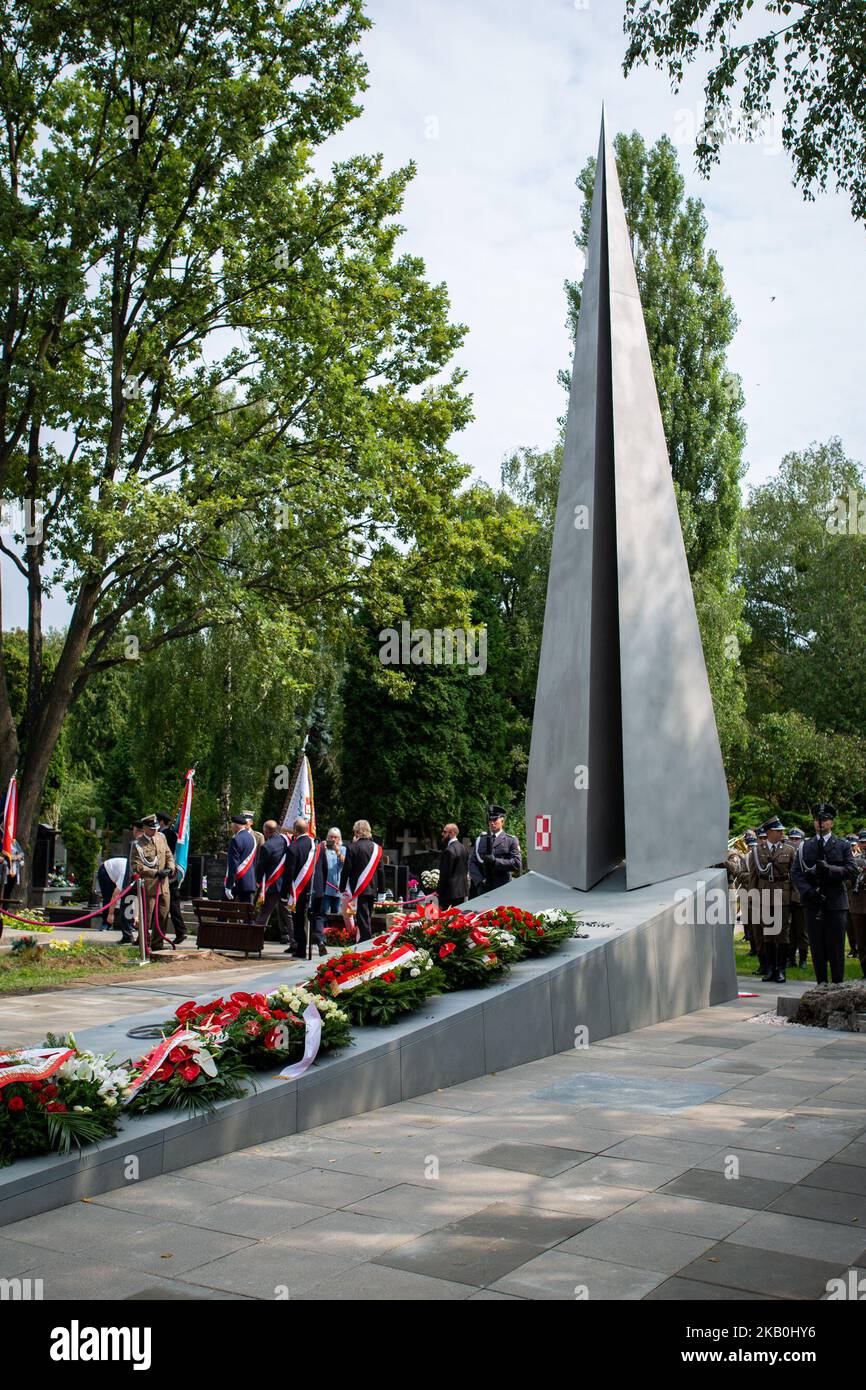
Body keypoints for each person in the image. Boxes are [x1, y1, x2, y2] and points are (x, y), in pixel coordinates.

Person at [790, 802, 858, 986]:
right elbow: (795, 872)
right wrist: (808, 892)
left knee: (836, 948)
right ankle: (821, 984)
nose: (820, 822)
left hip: (836, 902)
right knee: (817, 947)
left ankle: (837, 985)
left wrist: (830, 869)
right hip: (813, 902)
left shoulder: (843, 845)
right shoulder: (805, 846)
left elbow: (852, 870)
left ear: (831, 823)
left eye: (825, 819)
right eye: (817, 820)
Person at [129, 814, 176, 951]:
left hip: (164, 884)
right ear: (144, 828)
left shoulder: (161, 837)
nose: (155, 831)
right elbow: (136, 866)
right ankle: (143, 944)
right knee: (147, 918)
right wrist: (155, 872)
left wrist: (170, 867)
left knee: (163, 914)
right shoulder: (138, 845)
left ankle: (157, 944)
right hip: (149, 885)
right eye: (151, 829)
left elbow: (168, 855)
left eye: (156, 828)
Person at [286, 817, 327, 957]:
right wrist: (322, 887)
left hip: (300, 890)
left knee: (298, 920)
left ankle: (301, 950)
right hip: (318, 888)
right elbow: (325, 867)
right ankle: (320, 939)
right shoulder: (319, 846)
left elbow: (289, 873)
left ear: (295, 831)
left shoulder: (293, 847)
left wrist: (285, 893)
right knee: (317, 916)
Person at [340, 819, 384, 942]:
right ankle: (363, 942)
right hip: (372, 889)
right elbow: (380, 871)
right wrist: (382, 891)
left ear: (356, 832)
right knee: (367, 918)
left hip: (359, 890)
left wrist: (342, 888)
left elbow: (346, 870)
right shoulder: (377, 848)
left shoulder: (352, 847)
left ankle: (365, 945)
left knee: (363, 920)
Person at [468, 804, 522, 898]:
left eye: (495, 820)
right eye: (490, 820)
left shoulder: (511, 840)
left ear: (502, 821)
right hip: (484, 889)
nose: (492, 823)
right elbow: (472, 862)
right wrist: (480, 880)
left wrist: (495, 861)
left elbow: (517, 863)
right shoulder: (481, 839)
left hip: (503, 888)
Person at [254, 820, 293, 946]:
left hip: (273, 886)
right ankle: (295, 942)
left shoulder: (266, 846)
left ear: (265, 832)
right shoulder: (287, 841)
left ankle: (256, 941)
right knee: (288, 915)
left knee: (264, 913)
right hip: (287, 885)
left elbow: (261, 868)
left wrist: (258, 882)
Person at [156, 811, 187, 945]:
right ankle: (181, 931)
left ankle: (180, 932)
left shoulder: (165, 835)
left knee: (171, 904)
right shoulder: (171, 834)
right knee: (173, 905)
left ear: (161, 822)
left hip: (168, 874)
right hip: (171, 873)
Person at [97, 854, 135, 941]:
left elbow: (135, 897)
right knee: (108, 896)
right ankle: (106, 923)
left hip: (117, 871)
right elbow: (115, 895)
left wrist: (136, 917)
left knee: (129, 897)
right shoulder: (125, 874)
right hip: (106, 871)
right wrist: (111, 914)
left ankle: (129, 924)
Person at [786, 828, 809, 968]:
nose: (794, 841)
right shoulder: (785, 853)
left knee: (802, 931)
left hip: (801, 898)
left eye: (797, 839)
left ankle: (803, 959)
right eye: (792, 839)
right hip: (787, 897)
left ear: (802, 839)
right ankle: (791, 959)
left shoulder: (806, 855)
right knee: (790, 931)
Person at [224, 812, 258, 903]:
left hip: (236, 882)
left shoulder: (236, 839)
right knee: (247, 913)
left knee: (224, 911)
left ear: (235, 826)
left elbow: (233, 864)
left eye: (231, 825)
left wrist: (229, 885)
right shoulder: (252, 838)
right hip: (249, 881)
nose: (231, 827)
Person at [438, 823, 469, 910]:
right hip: (462, 892)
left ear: (452, 833)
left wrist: (439, 891)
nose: (442, 834)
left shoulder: (449, 851)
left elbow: (445, 874)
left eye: (445, 832)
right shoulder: (463, 848)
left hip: (449, 893)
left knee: (448, 920)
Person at [848, 830, 866, 979]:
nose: (865, 845)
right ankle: (865, 972)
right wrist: (856, 875)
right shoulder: (854, 861)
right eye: (863, 842)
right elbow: (846, 883)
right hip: (858, 905)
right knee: (861, 943)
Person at [321, 828, 344, 919]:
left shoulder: (343, 849)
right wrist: (321, 848)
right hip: (325, 887)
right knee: (323, 914)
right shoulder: (324, 848)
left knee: (336, 916)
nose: (333, 839)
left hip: (337, 887)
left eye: (335, 837)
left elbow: (344, 863)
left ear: (339, 838)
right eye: (331, 837)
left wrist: (337, 851)